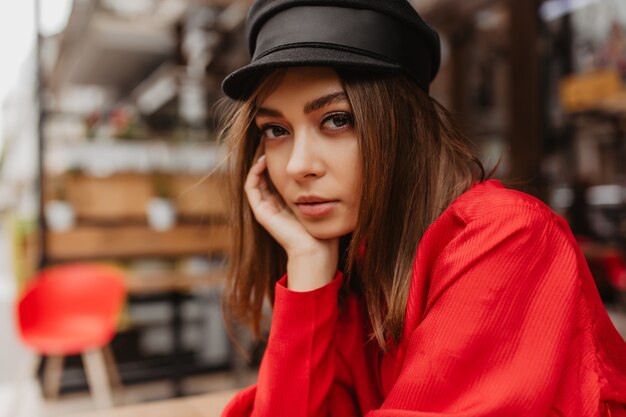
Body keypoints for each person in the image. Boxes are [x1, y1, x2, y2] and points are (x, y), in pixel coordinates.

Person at [218, 0, 626, 415]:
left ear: (404, 125)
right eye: (276, 129)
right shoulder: (356, 263)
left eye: (338, 119)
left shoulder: (506, 237)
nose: (299, 165)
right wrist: (307, 266)